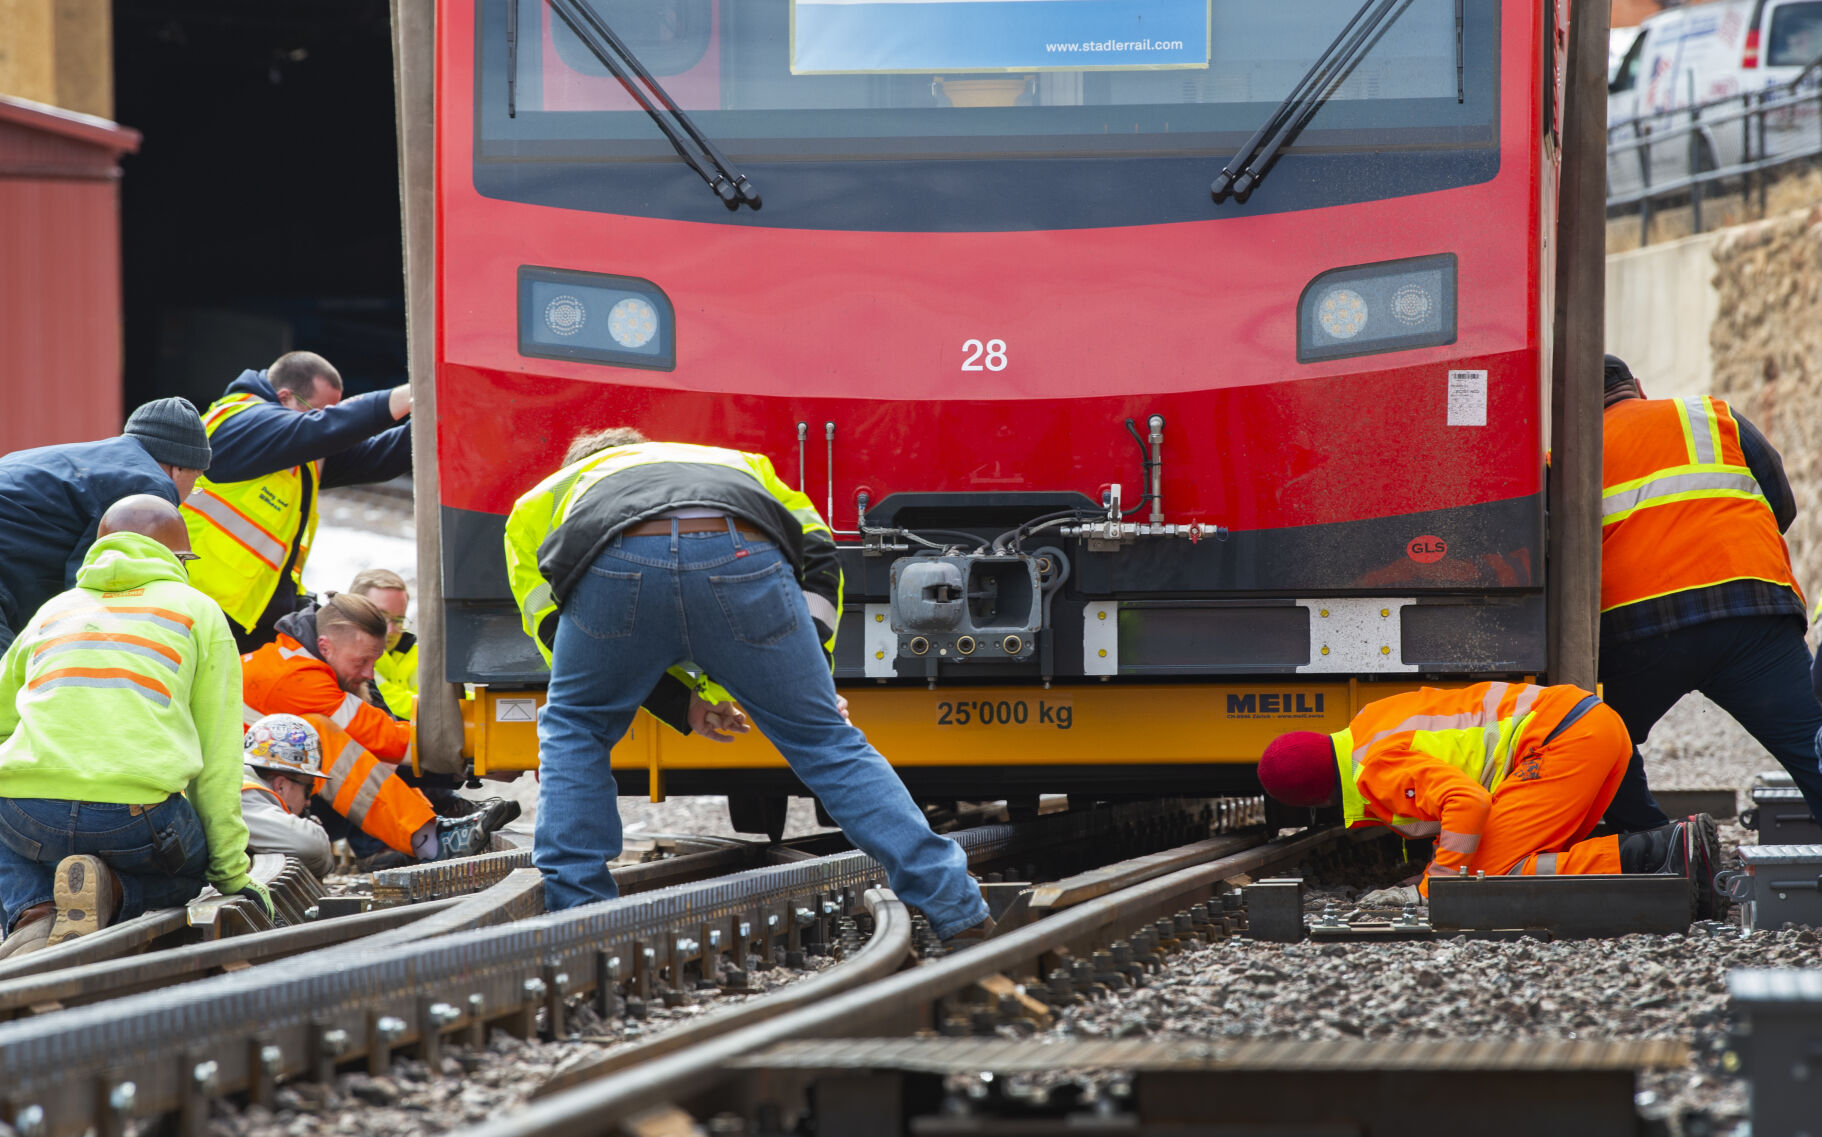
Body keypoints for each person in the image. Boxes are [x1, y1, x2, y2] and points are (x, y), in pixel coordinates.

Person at [504, 427, 992, 945]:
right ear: (644, 448)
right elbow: (819, 554)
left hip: (611, 559)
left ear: (580, 466)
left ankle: (581, 924)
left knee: (576, 729)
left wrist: (675, 700)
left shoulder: (542, 500)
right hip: (741, 550)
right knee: (826, 744)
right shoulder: (738, 462)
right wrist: (814, 677)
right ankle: (958, 910)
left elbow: (557, 629)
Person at [0, 496, 270, 959]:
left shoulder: (52, 611)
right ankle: (112, 891)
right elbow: (218, 759)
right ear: (177, 558)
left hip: (28, 811)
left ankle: (33, 911)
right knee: (191, 869)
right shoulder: (198, 612)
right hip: (135, 817)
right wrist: (230, 874)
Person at [1257, 681, 1725, 915]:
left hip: (1561, 740)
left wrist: (1430, 889)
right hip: (1586, 724)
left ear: (1318, 796)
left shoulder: (1374, 769)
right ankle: (1665, 861)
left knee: (1488, 876)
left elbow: (1468, 804)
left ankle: (1670, 858)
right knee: (1530, 855)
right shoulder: (1368, 725)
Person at [1596, 355, 1822, 830]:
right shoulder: (1706, 415)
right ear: (1637, 385)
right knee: (1812, 740)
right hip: (1753, 613)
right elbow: (1779, 499)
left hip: (1639, 631)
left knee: (1592, 745)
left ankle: (1656, 851)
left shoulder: (1568, 455)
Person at [239, 591, 514, 863]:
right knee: (319, 735)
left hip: (259, 779)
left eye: (374, 662)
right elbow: (384, 739)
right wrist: (481, 748)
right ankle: (430, 841)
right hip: (244, 790)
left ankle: (431, 827)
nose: (369, 674)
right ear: (324, 646)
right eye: (362, 662)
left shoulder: (294, 660)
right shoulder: (297, 678)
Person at [181, 351, 413, 652]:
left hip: (249, 616)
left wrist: (441, 413)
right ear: (285, 396)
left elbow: (378, 458)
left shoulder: (298, 452)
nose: (324, 423)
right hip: (204, 610)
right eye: (317, 411)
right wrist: (413, 393)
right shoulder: (240, 422)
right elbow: (325, 428)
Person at [0, 397, 211, 653]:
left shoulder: (90, 462)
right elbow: (96, 585)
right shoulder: (147, 488)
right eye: (196, 481)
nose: (190, 493)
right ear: (177, 467)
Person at [242, 714, 335, 877]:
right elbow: (312, 845)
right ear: (281, 785)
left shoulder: (233, 787)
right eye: (308, 790)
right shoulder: (243, 797)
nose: (307, 803)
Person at [348, 568, 417, 718]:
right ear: (352, 610)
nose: (390, 630)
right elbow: (388, 699)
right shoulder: (342, 655)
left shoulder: (414, 652)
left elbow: (445, 699)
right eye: (381, 617)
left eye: (399, 620)